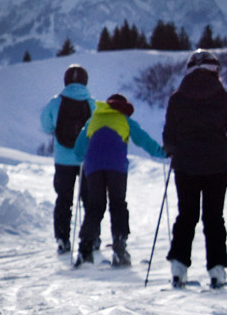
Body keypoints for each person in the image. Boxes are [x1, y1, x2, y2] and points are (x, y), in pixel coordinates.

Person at [162, 49, 227, 289]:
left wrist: (177, 148)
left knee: (186, 215)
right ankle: (217, 272)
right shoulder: (225, 98)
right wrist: (226, 142)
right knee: (213, 217)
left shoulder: (177, 99)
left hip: (185, 166)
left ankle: (178, 269)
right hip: (217, 166)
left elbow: (168, 139)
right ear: (215, 70)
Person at [74, 94, 165, 267]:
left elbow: (78, 150)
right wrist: (162, 152)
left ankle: (84, 251)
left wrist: (82, 157)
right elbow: (143, 140)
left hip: (93, 166)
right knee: (118, 204)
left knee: (95, 206)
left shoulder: (93, 120)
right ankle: (119, 249)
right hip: (116, 166)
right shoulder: (124, 119)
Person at [40, 65, 94, 256]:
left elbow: (46, 126)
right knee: (89, 199)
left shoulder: (55, 103)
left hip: (63, 159)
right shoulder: (92, 103)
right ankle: (91, 237)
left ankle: (63, 239)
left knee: (64, 199)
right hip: (86, 159)